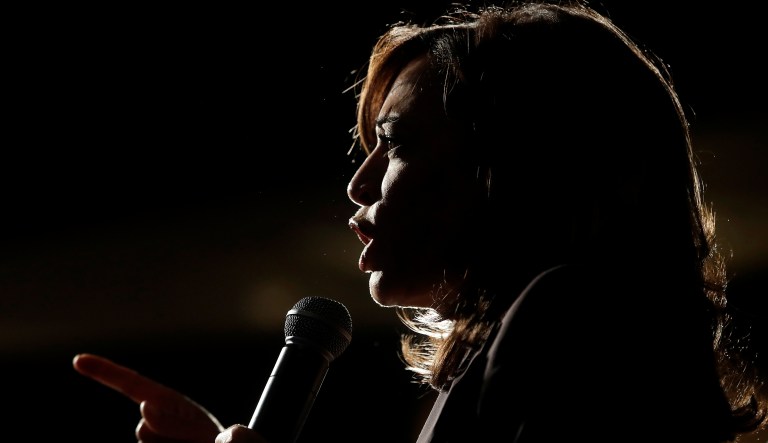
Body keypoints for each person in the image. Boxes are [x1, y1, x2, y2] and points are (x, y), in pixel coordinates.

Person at [73, 1, 767, 442]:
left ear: (514, 160)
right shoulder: (564, 334)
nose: (359, 184)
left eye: (396, 143)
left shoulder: (570, 318)